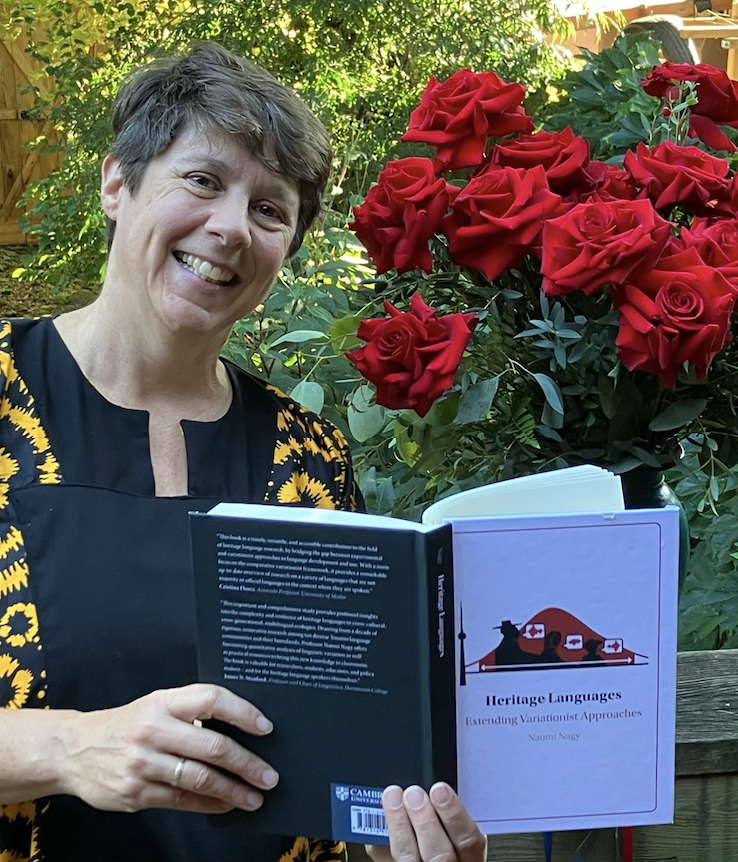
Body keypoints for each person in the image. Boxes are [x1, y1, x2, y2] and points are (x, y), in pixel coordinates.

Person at [0, 42, 486, 862]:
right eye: (201, 180)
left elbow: (344, 760)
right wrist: (69, 748)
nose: (230, 227)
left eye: (270, 209)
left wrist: (405, 839)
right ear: (118, 184)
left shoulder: (312, 456)